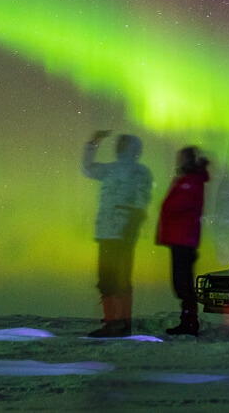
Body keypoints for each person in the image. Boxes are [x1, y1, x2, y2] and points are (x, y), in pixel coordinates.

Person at [82, 130, 153, 337]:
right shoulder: (117, 169)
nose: (118, 147)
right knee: (107, 278)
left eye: (122, 144)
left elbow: (142, 200)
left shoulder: (138, 172)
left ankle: (119, 323)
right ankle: (114, 322)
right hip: (108, 231)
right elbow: (88, 169)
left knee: (118, 277)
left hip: (121, 230)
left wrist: (133, 223)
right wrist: (93, 143)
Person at [155, 146, 210, 336]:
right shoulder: (187, 179)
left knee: (183, 282)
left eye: (183, 158)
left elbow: (181, 204)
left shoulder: (191, 180)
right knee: (180, 281)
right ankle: (187, 320)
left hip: (184, 238)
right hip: (180, 237)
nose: (180, 162)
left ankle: (189, 322)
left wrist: (168, 206)